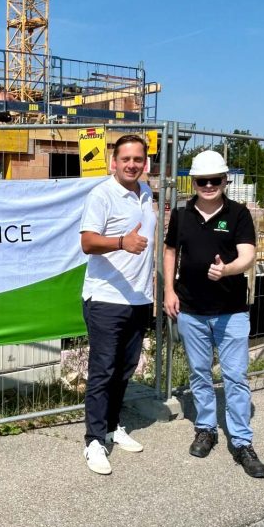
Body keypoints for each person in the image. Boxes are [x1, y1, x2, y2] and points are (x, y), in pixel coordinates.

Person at [163, 150, 264, 478]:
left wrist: (228, 270)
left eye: (215, 180)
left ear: (225, 181)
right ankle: (206, 428)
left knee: (235, 376)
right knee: (199, 373)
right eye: (201, 180)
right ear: (193, 182)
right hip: (192, 309)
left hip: (231, 311)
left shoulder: (238, 214)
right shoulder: (182, 215)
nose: (208, 185)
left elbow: (248, 254)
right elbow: (170, 250)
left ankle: (241, 441)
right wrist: (168, 290)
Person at [79, 134, 157, 475]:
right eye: (125, 159)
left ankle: (112, 425)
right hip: (106, 300)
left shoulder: (147, 193)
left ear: (145, 163)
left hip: (139, 298)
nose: (131, 164)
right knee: (103, 371)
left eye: (137, 159)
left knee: (125, 370)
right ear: (114, 162)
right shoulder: (102, 194)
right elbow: (87, 242)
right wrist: (121, 242)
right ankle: (94, 441)